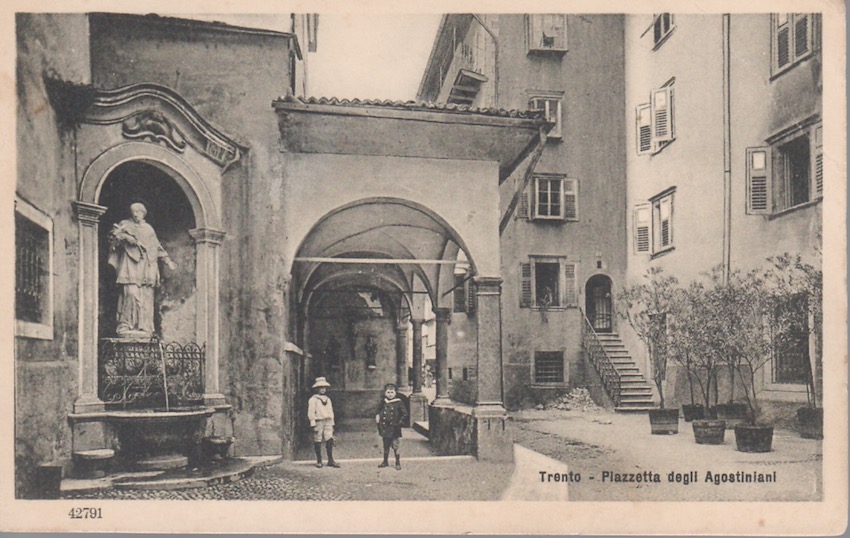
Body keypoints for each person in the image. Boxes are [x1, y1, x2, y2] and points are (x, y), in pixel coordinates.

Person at [107, 202, 176, 337]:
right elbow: (112, 238)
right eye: (133, 211)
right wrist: (126, 237)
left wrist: (168, 261)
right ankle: (125, 325)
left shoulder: (149, 229)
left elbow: (157, 247)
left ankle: (144, 327)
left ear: (143, 213)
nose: (135, 214)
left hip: (146, 266)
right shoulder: (125, 224)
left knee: (146, 296)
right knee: (130, 293)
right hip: (130, 265)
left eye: (138, 211)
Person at [307, 377, 340, 468]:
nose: (322, 389)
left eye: (324, 387)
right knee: (318, 439)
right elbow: (311, 412)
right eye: (320, 387)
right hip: (319, 421)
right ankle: (319, 460)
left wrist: (332, 422)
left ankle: (330, 460)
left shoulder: (328, 399)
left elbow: (330, 411)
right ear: (317, 389)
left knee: (329, 438)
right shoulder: (313, 399)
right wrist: (312, 422)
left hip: (328, 421)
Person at [376, 383, 407, 470]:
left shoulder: (399, 402)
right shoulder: (383, 402)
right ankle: (385, 461)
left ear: (395, 393)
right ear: (385, 393)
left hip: (394, 428)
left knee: (395, 445)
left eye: (392, 392)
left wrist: (399, 423)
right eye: (388, 392)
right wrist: (379, 420)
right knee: (385, 445)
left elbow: (405, 414)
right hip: (385, 427)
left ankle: (397, 462)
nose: (390, 394)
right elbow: (379, 411)